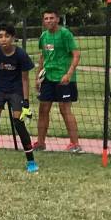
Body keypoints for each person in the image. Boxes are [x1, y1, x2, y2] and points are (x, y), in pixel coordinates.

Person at [0, 23, 38, 173]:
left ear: (13, 38)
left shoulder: (21, 55)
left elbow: (25, 79)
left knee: (19, 123)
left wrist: (26, 102)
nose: (3, 39)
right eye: (0, 36)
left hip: (16, 91)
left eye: (7, 36)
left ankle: (31, 161)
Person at [34, 10, 81, 152]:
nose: (49, 20)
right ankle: (40, 143)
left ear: (57, 19)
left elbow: (76, 55)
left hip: (64, 78)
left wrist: (69, 73)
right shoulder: (44, 36)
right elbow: (43, 57)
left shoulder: (65, 34)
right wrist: (38, 77)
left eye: (51, 18)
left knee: (64, 109)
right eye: (46, 18)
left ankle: (75, 144)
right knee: (43, 109)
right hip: (48, 77)